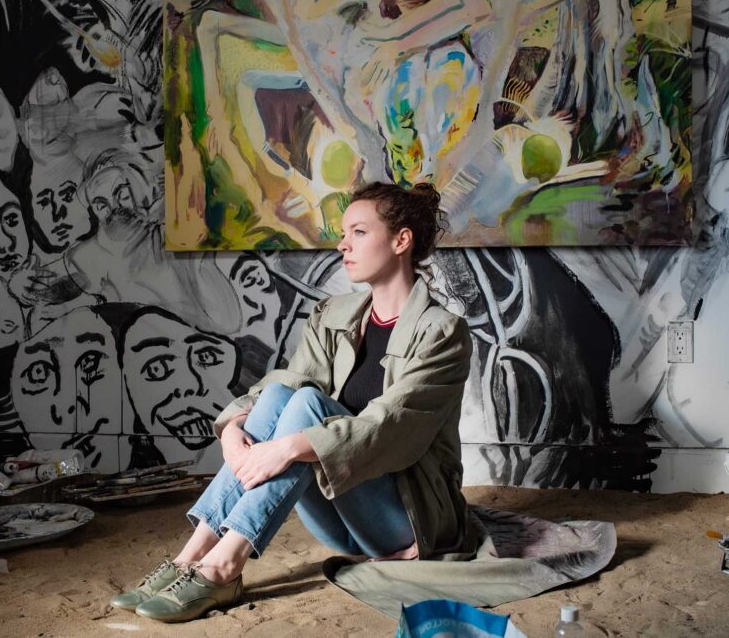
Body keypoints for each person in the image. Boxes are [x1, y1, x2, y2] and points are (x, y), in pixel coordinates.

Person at [110, 182, 473, 623]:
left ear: (401, 240)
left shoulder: (442, 333)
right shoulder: (336, 316)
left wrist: (283, 448)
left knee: (306, 406)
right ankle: (191, 556)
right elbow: (282, 383)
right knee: (286, 394)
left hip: (407, 520)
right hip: (340, 514)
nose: (343, 244)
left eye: (358, 232)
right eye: (344, 233)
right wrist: (233, 430)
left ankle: (226, 565)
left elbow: (389, 427)